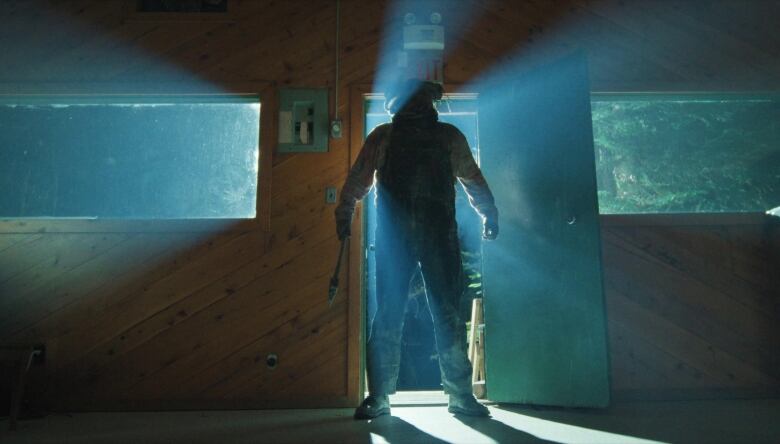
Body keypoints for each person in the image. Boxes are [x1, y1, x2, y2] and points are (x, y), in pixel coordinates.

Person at [335, 79, 498, 419]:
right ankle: (382, 396)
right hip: (405, 242)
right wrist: (345, 209)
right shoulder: (388, 137)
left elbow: (472, 179)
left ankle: (457, 396)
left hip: (434, 240)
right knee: (399, 317)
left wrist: (489, 212)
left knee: (443, 316)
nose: (416, 107)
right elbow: (358, 179)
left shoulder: (438, 137)